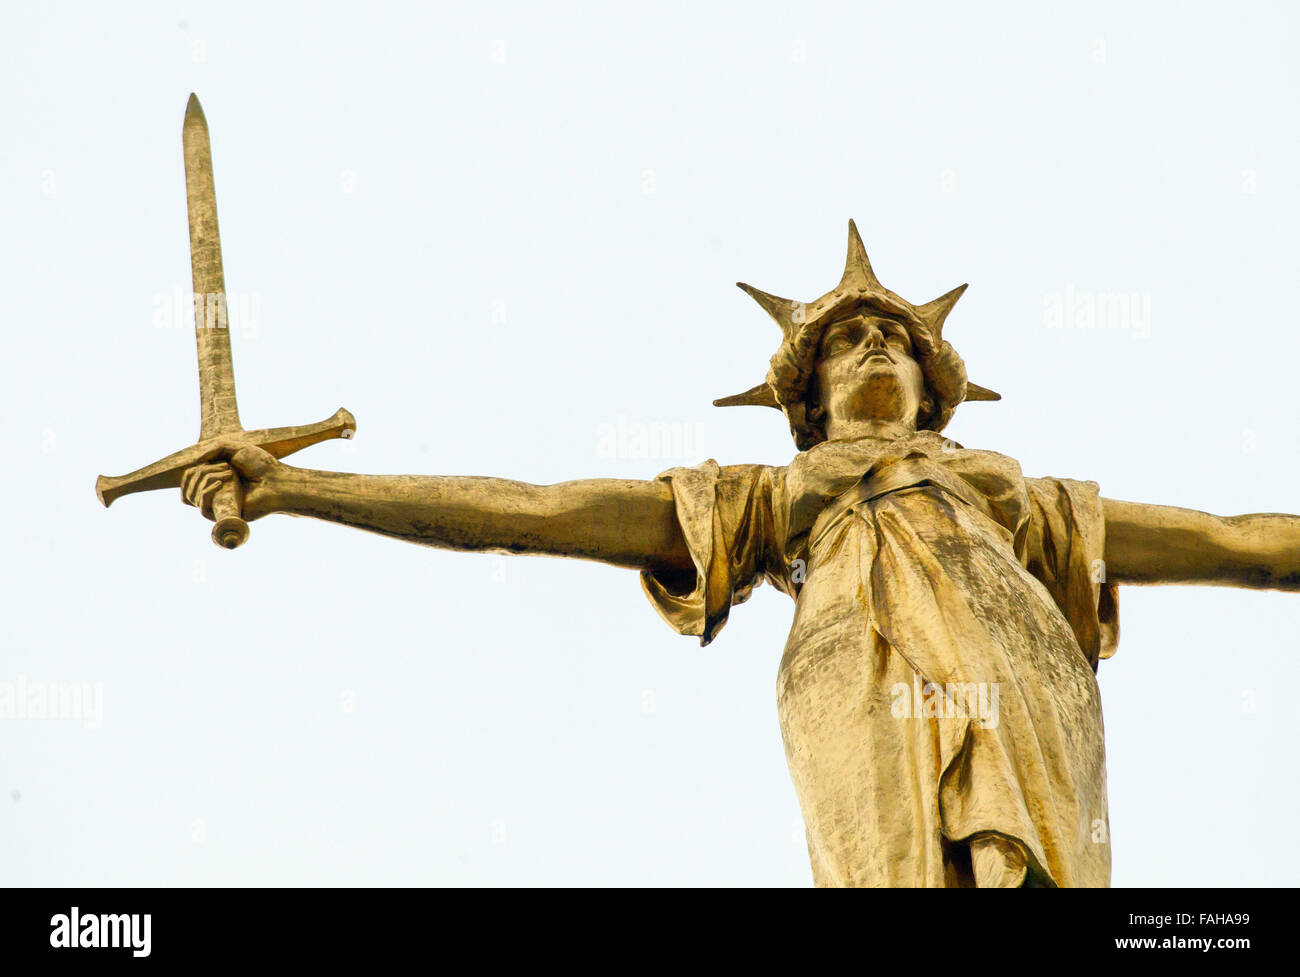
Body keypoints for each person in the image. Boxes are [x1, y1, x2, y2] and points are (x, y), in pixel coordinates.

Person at [181, 222, 1300, 886]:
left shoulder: (1017, 500)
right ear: (806, 400)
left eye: (894, 337)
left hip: (1027, 687)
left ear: (930, 382)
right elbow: (533, 509)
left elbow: (1235, 541)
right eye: (848, 339)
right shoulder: (768, 501)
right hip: (856, 673)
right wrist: (296, 485)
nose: (873, 342)